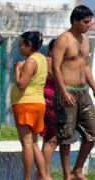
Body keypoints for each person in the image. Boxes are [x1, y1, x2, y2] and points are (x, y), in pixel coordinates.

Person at [52, 5, 95, 180]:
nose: (88, 25)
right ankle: (66, 175)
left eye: (89, 21)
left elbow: (85, 66)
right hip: (66, 91)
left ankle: (77, 170)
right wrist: (63, 92)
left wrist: (93, 87)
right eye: (85, 22)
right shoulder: (63, 39)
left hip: (82, 92)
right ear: (76, 21)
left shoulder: (85, 39)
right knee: (66, 137)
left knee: (92, 134)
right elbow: (55, 67)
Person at [10, 31, 47, 180]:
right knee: (33, 144)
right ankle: (44, 176)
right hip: (38, 103)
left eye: (21, 45)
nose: (19, 47)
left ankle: (27, 178)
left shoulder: (30, 61)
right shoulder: (42, 58)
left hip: (26, 104)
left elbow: (21, 85)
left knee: (26, 144)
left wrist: (17, 70)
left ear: (29, 45)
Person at [39, 39, 57, 180]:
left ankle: (41, 173)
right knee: (51, 140)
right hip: (51, 104)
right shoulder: (52, 62)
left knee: (48, 141)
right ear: (51, 50)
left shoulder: (41, 60)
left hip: (43, 103)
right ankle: (43, 174)